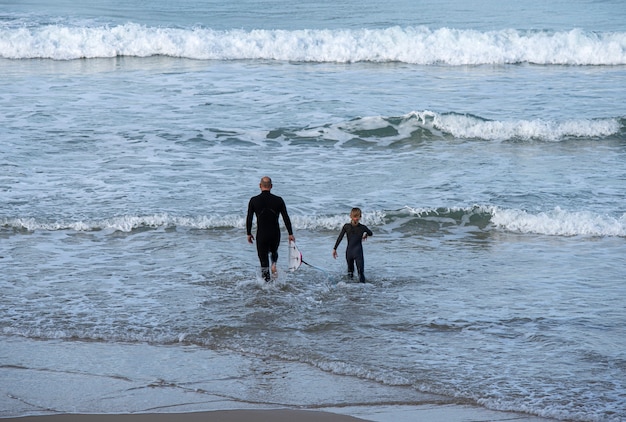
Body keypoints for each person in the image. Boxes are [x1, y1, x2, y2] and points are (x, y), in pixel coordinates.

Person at [246, 176, 295, 281]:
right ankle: (274, 264)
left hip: (262, 234)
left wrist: (248, 233)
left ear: (260, 186)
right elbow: (286, 217)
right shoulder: (278, 200)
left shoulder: (254, 200)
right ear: (271, 186)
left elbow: (249, 218)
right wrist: (290, 233)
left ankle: (267, 286)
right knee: (274, 251)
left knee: (263, 262)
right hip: (275, 234)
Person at [332, 207, 373, 283]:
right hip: (352, 253)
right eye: (355, 216)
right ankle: (352, 292)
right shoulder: (349, 227)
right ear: (351, 216)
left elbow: (371, 233)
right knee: (352, 273)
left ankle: (361, 291)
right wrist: (334, 249)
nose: (356, 218)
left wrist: (366, 234)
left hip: (354, 252)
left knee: (358, 273)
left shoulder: (361, 227)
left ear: (360, 217)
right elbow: (340, 237)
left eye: (358, 216)